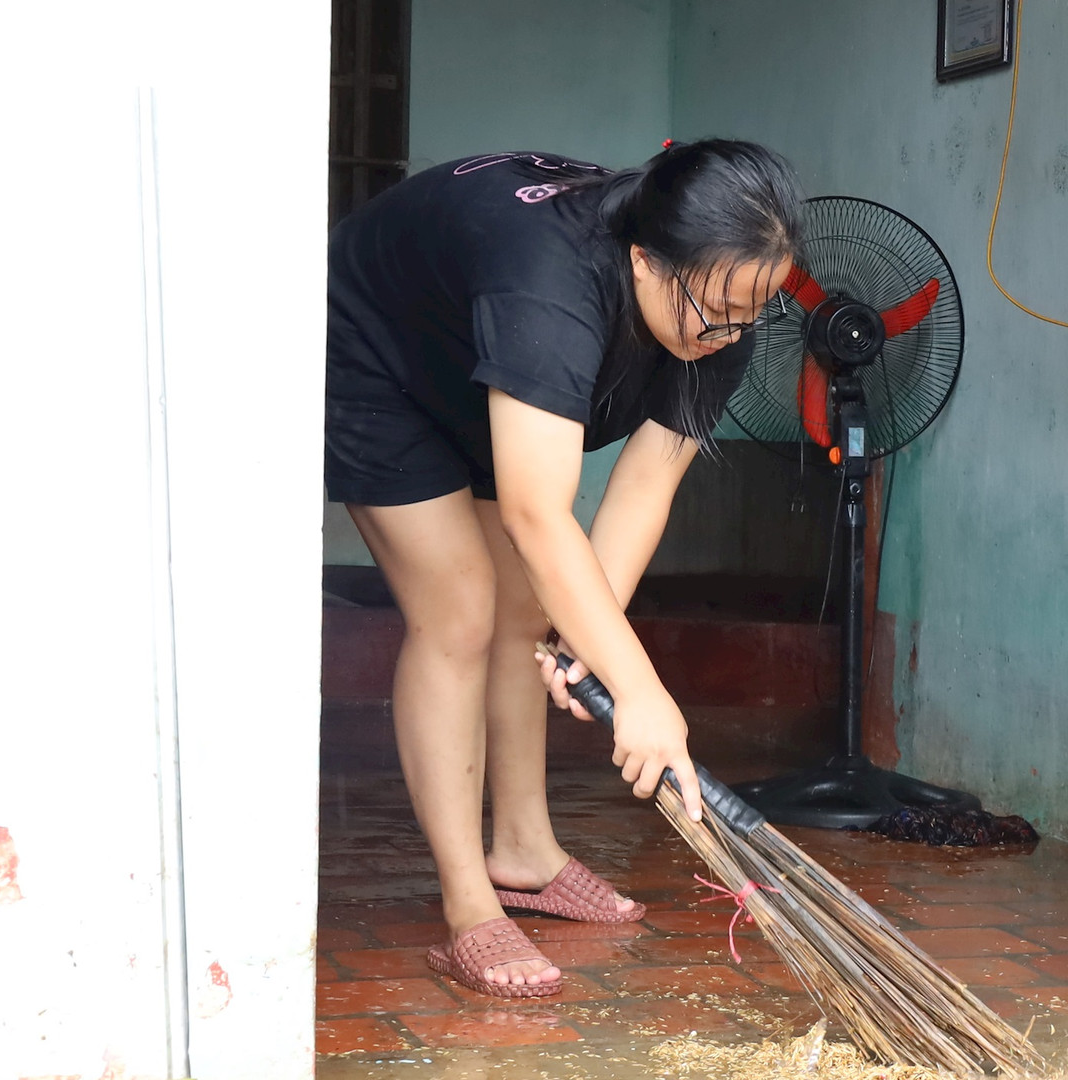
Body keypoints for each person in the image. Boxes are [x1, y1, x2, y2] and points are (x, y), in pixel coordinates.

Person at [324, 141, 802, 998]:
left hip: (473, 360)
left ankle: (525, 852)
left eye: (750, 313)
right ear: (644, 260)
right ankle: (471, 906)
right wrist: (642, 691)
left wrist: (590, 643)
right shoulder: (549, 284)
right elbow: (539, 515)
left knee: (528, 611)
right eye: (716, 311)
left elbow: (647, 485)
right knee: (463, 606)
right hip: (376, 353)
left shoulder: (723, 302)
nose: (730, 334)